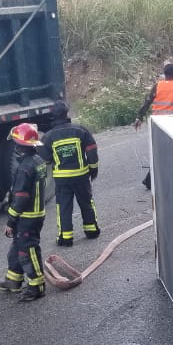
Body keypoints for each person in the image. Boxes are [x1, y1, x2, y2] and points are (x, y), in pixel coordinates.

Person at [0, 123, 49, 302]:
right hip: (34, 214)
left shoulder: (24, 168)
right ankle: (13, 281)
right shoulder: (37, 161)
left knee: (28, 251)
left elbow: (21, 198)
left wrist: (10, 221)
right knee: (17, 250)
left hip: (28, 217)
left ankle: (37, 286)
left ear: (20, 146)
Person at [40, 100, 100, 247]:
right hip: (81, 175)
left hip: (62, 179)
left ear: (52, 116)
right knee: (86, 202)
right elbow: (92, 152)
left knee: (64, 207)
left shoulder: (48, 137)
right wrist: (93, 170)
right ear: (67, 113)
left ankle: (66, 237)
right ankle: (91, 230)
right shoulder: (80, 130)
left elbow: (46, 160)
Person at [133, 63, 173, 190]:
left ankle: (151, 180)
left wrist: (138, 117)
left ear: (165, 74)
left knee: (160, 153)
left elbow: (146, 102)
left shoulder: (157, 86)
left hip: (157, 126)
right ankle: (157, 180)